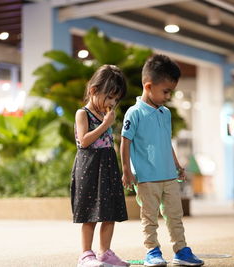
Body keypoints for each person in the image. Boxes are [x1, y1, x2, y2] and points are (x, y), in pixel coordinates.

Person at [121, 54, 204, 267]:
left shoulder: (165, 113)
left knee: (175, 215)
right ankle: (152, 251)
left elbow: (166, 142)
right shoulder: (134, 113)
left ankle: (181, 251)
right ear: (148, 86)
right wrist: (126, 171)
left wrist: (176, 165)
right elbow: (125, 142)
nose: (168, 96)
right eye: (165, 91)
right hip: (147, 177)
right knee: (149, 218)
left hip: (168, 175)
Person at [71, 64, 129, 267]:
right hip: (89, 166)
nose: (112, 103)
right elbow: (83, 141)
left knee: (109, 211)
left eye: (116, 99)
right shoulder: (83, 113)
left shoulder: (106, 114)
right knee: (90, 213)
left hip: (107, 165)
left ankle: (104, 252)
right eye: (110, 97)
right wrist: (105, 124)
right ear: (93, 90)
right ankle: (86, 254)